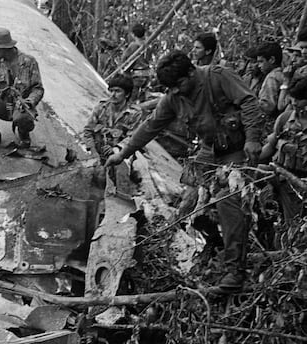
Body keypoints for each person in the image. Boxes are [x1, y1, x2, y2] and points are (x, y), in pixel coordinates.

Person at [106, 51, 265, 291]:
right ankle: (207, 252)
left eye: (179, 84)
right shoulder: (173, 97)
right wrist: (122, 153)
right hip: (209, 151)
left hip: (237, 149)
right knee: (190, 204)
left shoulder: (217, 77)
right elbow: (150, 127)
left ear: (191, 72)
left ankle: (235, 271)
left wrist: (253, 139)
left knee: (228, 202)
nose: (177, 91)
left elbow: (250, 103)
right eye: (172, 88)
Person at [259, 75, 307, 220]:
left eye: (299, 100)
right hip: (279, 177)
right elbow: (270, 146)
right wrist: (250, 159)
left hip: (300, 185)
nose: (294, 103)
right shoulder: (285, 119)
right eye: (293, 98)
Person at [83, 73, 143, 163]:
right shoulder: (101, 107)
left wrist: (116, 149)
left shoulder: (134, 114)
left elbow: (133, 138)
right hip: (97, 148)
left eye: (117, 91)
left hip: (120, 152)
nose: (112, 95)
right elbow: (88, 131)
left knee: (136, 165)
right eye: (111, 91)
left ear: (127, 94)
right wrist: (92, 151)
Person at [248, 41, 286, 119]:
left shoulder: (272, 77)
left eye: (261, 61)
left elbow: (267, 106)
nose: (259, 66)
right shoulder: (282, 73)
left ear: (272, 60)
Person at [120, 23, 152, 102]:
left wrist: (122, 68)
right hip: (147, 74)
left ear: (133, 35)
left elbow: (124, 58)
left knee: (132, 98)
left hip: (137, 75)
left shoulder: (133, 45)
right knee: (143, 97)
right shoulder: (148, 46)